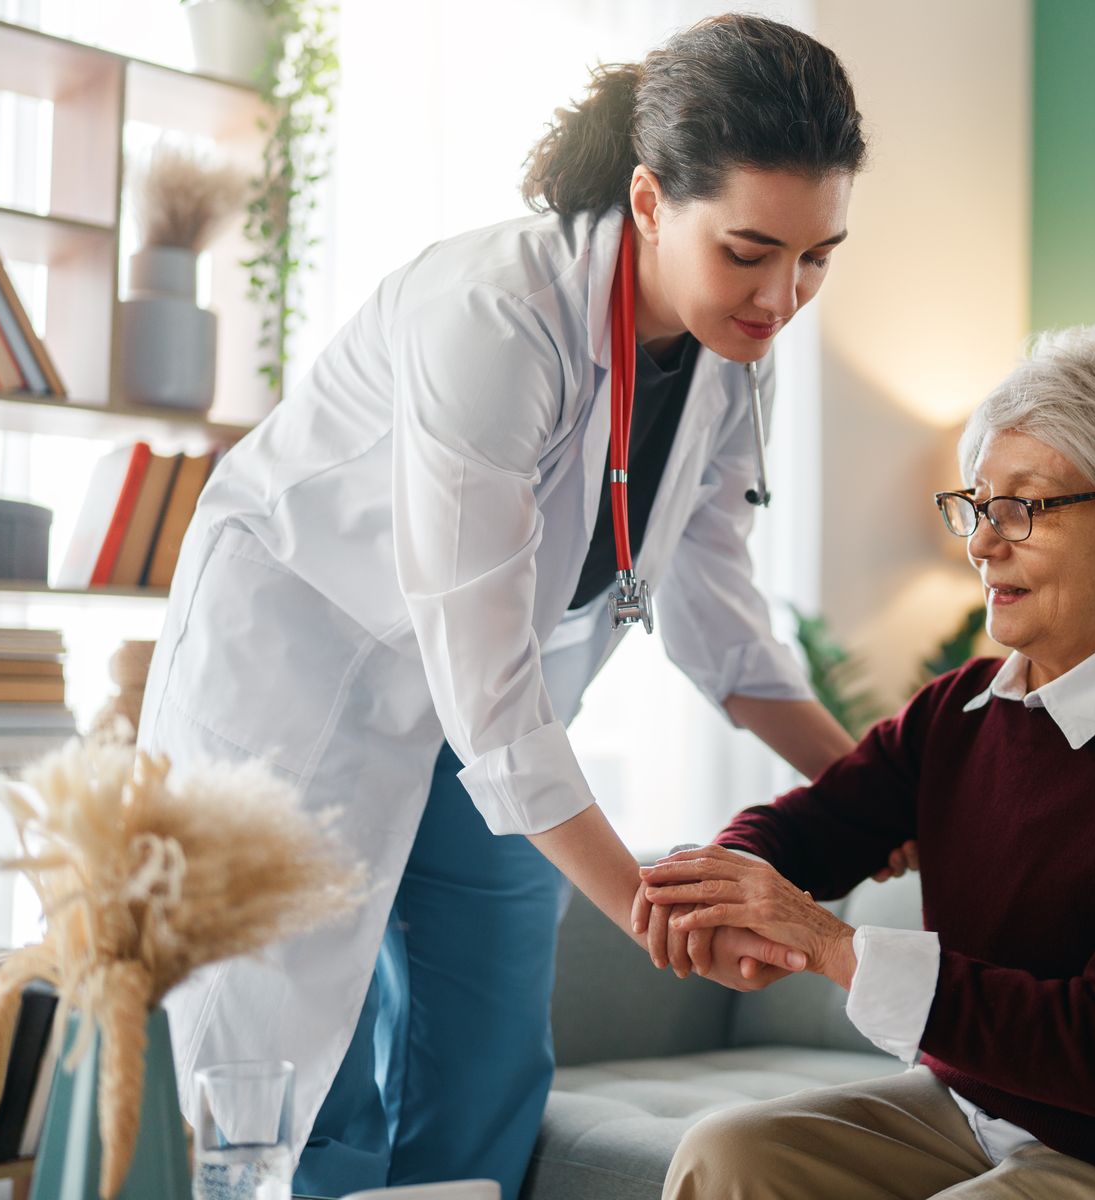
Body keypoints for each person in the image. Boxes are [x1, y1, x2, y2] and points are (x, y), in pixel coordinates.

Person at [136, 16, 884, 1197]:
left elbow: (720, 619)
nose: (782, 295)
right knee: (294, 1064)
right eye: (749, 250)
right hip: (303, 684)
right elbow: (486, 693)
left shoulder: (733, 346)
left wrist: (880, 801)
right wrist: (664, 920)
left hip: (490, 719)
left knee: (487, 1056)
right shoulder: (491, 315)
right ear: (649, 201)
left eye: (816, 257)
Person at [639, 323, 1095, 1199]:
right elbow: (813, 827)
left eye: (1023, 508)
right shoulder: (959, 710)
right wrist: (725, 884)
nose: (981, 543)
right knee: (729, 1154)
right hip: (988, 1113)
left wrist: (833, 946)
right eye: (976, 505)